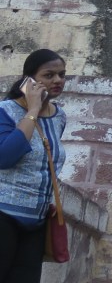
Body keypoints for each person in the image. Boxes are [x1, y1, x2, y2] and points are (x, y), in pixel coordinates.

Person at [0, 49, 68, 283]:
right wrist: (32, 110)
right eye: (49, 75)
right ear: (30, 80)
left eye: (62, 74)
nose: (58, 81)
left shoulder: (59, 117)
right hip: (4, 215)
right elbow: (5, 158)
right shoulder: (6, 111)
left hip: (37, 221)